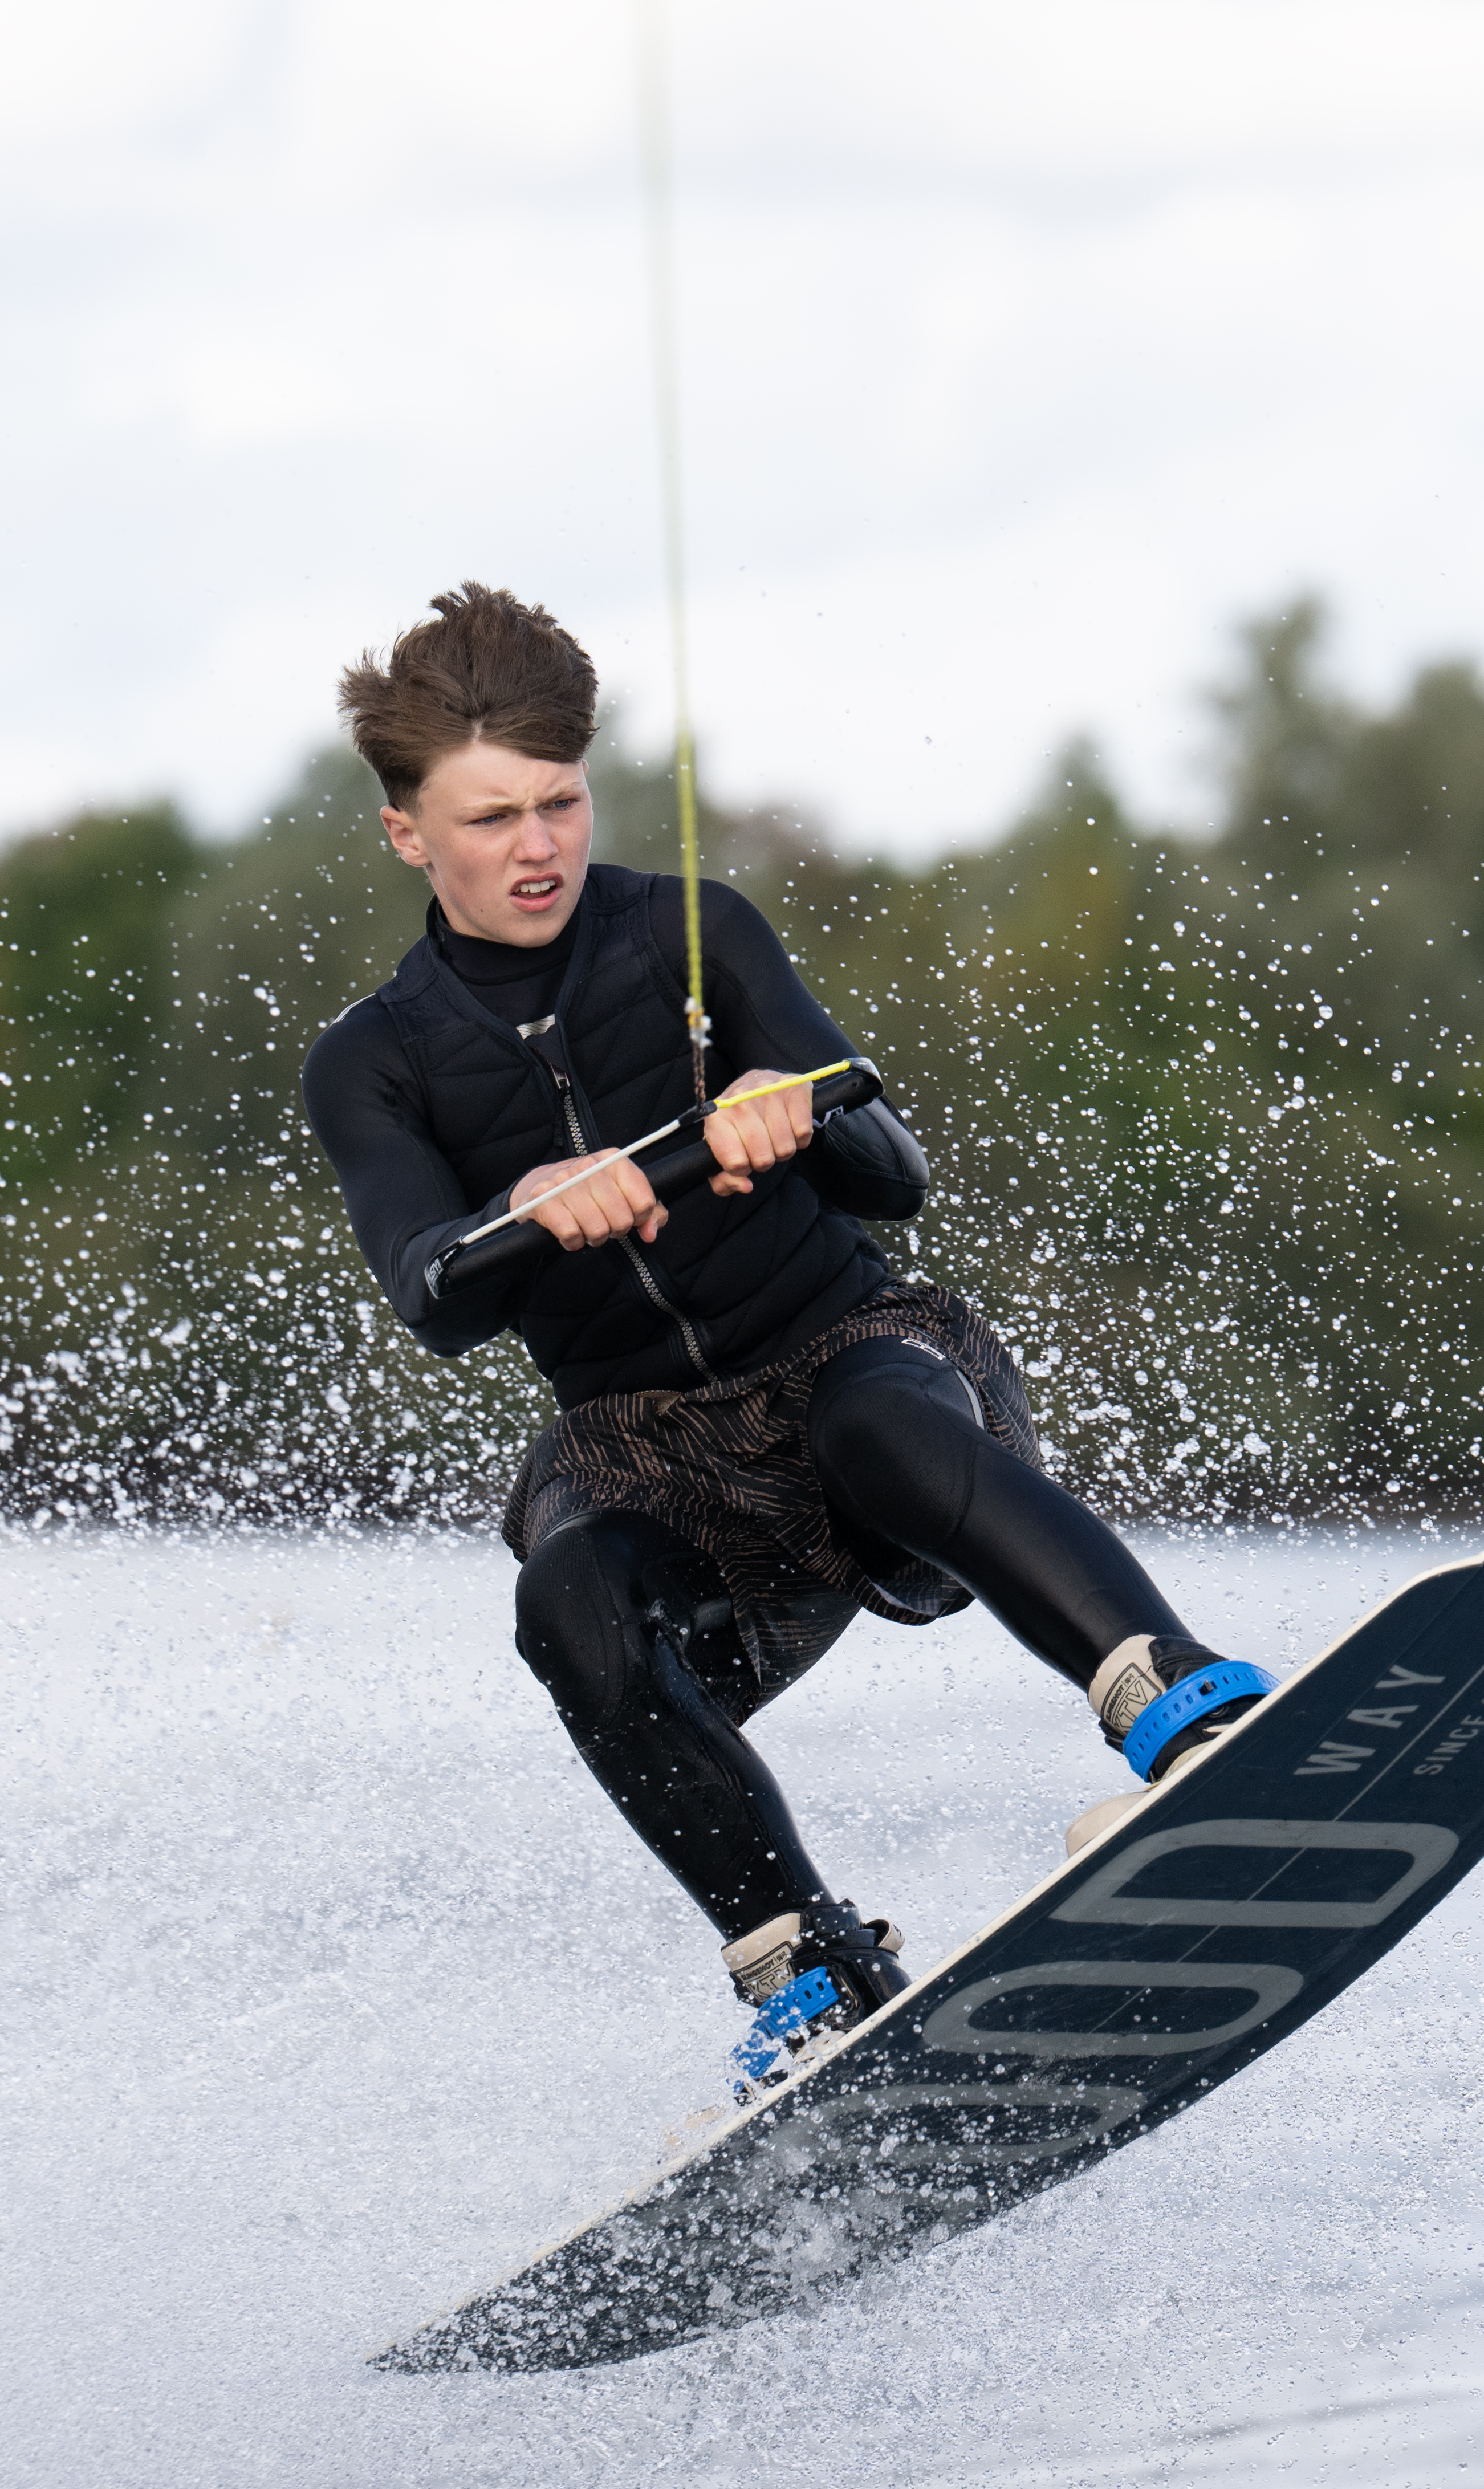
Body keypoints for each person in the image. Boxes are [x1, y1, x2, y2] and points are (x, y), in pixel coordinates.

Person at [301, 585, 1268, 2092]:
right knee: (569, 1594)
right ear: (408, 834)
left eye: (560, 801)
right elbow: (433, 1294)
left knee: (869, 1423)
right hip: (659, 1465)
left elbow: (902, 1178)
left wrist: (799, 1119)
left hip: (860, 1370)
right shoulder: (371, 1062)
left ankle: (1184, 1713)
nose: (539, 844)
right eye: (490, 818)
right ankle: (805, 1964)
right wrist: (530, 1204)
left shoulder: (694, 934)